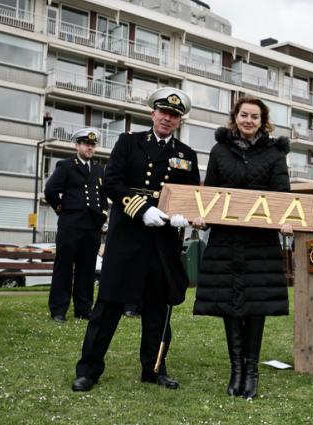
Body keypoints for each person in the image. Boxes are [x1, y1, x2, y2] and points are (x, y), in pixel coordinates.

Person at [72, 88, 200, 392]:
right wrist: (141, 210)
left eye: (174, 115)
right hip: (127, 237)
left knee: (157, 310)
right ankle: (88, 369)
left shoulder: (186, 154)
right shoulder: (128, 142)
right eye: (163, 112)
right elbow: (112, 182)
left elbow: (192, 194)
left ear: (179, 120)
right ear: (153, 113)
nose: (167, 118)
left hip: (163, 242)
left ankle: (154, 369)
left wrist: (183, 214)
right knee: (108, 306)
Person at [191, 96, 292, 400]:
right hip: (226, 240)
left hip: (260, 243)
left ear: (263, 121)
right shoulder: (220, 151)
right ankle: (236, 370)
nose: (249, 120)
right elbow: (209, 193)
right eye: (244, 115)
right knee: (230, 307)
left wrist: (287, 221)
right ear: (235, 117)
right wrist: (201, 219)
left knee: (256, 306)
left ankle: (252, 373)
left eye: (255, 117)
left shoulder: (275, 154)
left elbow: (282, 195)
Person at [44, 128, 108, 323]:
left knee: (87, 269)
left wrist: (103, 215)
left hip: (92, 227)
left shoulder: (98, 169)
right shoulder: (66, 166)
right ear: (77, 145)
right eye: (86, 144)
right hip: (71, 225)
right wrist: (61, 209)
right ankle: (59, 310)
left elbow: (102, 196)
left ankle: (83, 309)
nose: (90, 148)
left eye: (92, 145)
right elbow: (50, 190)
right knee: (64, 268)